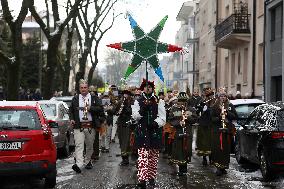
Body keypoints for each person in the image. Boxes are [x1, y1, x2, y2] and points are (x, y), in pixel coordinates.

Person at [131, 79, 166, 188]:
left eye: (150, 87)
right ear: (143, 88)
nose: (148, 88)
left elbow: (163, 118)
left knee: (153, 156)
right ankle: (142, 179)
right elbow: (135, 117)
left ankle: (151, 177)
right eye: (146, 87)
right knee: (142, 156)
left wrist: (156, 124)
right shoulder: (137, 101)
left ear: (152, 89)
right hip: (142, 132)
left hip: (154, 132)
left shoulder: (159, 101)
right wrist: (143, 110)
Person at [69, 79, 104, 173]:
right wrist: (72, 119)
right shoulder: (75, 98)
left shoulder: (94, 98)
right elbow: (71, 110)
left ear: (88, 88)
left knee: (89, 146)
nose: (83, 89)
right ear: (79, 89)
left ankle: (88, 161)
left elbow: (100, 109)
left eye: (85, 88)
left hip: (90, 126)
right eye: (81, 88)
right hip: (78, 126)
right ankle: (79, 164)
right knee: (79, 145)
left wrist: (90, 108)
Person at [168, 92, 197, 175]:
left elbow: (195, 119)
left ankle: (184, 167)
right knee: (179, 149)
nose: (182, 102)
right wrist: (178, 123)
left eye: (184, 100)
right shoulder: (174, 109)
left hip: (188, 132)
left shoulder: (191, 109)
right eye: (180, 100)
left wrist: (188, 117)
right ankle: (181, 167)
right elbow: (170, 120)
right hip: (178, 132)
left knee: (186, 149)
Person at [211, 87, 237, 176]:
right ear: (219, 97)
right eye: (221, 96)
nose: (223, 98)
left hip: (227, 131)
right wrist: (219, 117)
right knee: (218, 149)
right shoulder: (215, 106)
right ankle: (218, 167)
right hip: (217, 131)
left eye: (224, 96)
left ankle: (224, 167)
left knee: (226, 150)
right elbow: (212, 118)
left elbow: (235, 116)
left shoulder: (230, 105)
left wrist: (227, 113)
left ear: (226, 97)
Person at [195, 87, 216, 166]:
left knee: (211, 142)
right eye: (207, 94)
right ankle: (204, 158)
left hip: (211, 125)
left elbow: (214, 112)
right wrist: (199, 109)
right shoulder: (202, 101)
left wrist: (208, 109)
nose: (209, 96)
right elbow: (198, 112)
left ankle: (211, 159)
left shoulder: (214, 101)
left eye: (210, 94)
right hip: (203, 124)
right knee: (203, 142)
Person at [116, 89, 133, 166]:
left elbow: (131, 112)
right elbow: (116, 111)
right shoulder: (120, 102)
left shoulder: (132, 102)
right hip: (120, 123)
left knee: (126, 142)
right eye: (124, 94)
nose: (125, 96)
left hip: (128, 124)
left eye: (127, 94)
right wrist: (111, 110)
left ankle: (125, 158)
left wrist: (126, 107)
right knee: (121, 140)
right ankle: (124, 158)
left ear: (129, 95)